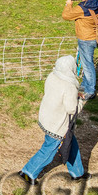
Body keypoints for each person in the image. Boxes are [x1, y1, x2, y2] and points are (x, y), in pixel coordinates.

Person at [20, 54, 87, 183]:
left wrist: (74, 95)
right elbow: (72, 109)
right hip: (58, 125)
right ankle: (28, 172)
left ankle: (77, 172)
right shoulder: (69, 85)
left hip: (47, 116)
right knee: (49, 150)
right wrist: (79, 100)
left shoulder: (52, 76)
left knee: (71, 143)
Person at [61, 0, 98, 99]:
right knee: (87, 62)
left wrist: (69, 4)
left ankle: (90, 90)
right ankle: (85, 85)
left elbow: (66, 16)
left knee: (88, 65)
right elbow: (89, 7)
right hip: (94, 35)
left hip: (85, 38)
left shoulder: (81, 8)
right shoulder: (97, 1)